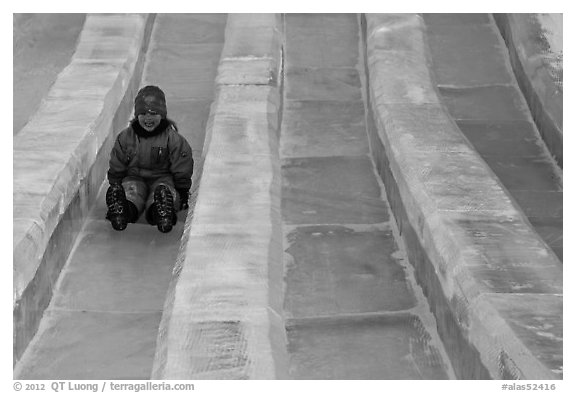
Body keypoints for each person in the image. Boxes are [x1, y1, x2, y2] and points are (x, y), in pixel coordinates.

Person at [105, 85, 194, 233]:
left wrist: (182, 190)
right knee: (130, 192)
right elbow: (117, 162)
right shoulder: (126, 137)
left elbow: (182, 165)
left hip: (163, 179)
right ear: (136, 115)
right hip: (134, 178)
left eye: (153, 113)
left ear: (162, 114)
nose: (148, 118)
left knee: (165, 193)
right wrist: (116, 183)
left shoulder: (172, 139)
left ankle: (161, 213)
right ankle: (122, 210)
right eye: (143, 113)